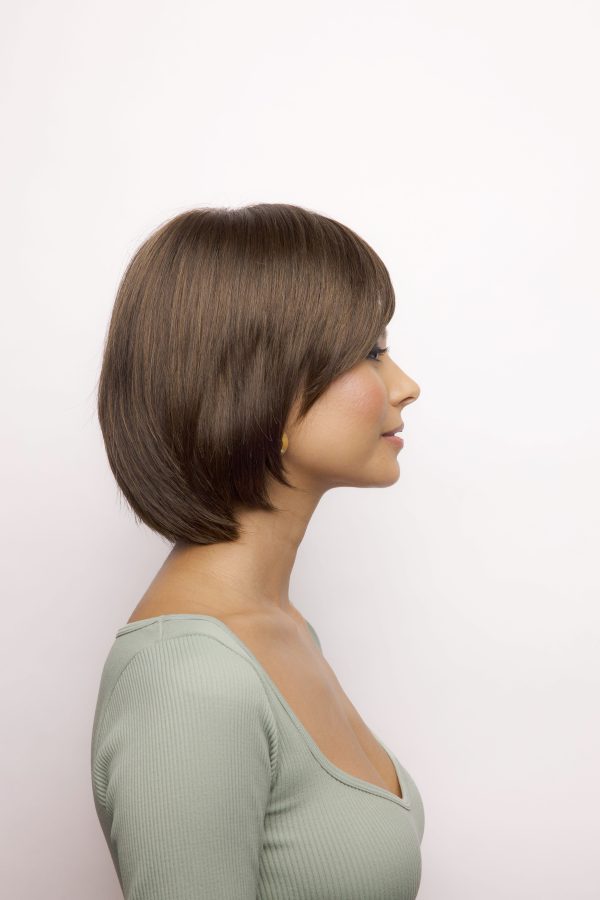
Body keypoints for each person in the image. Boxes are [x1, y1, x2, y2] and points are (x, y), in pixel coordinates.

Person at [90, 202, 424, 899]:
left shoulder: (282, 629)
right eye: (370, 353)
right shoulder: (186, 679)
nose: (404, 386)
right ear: (262, 387)